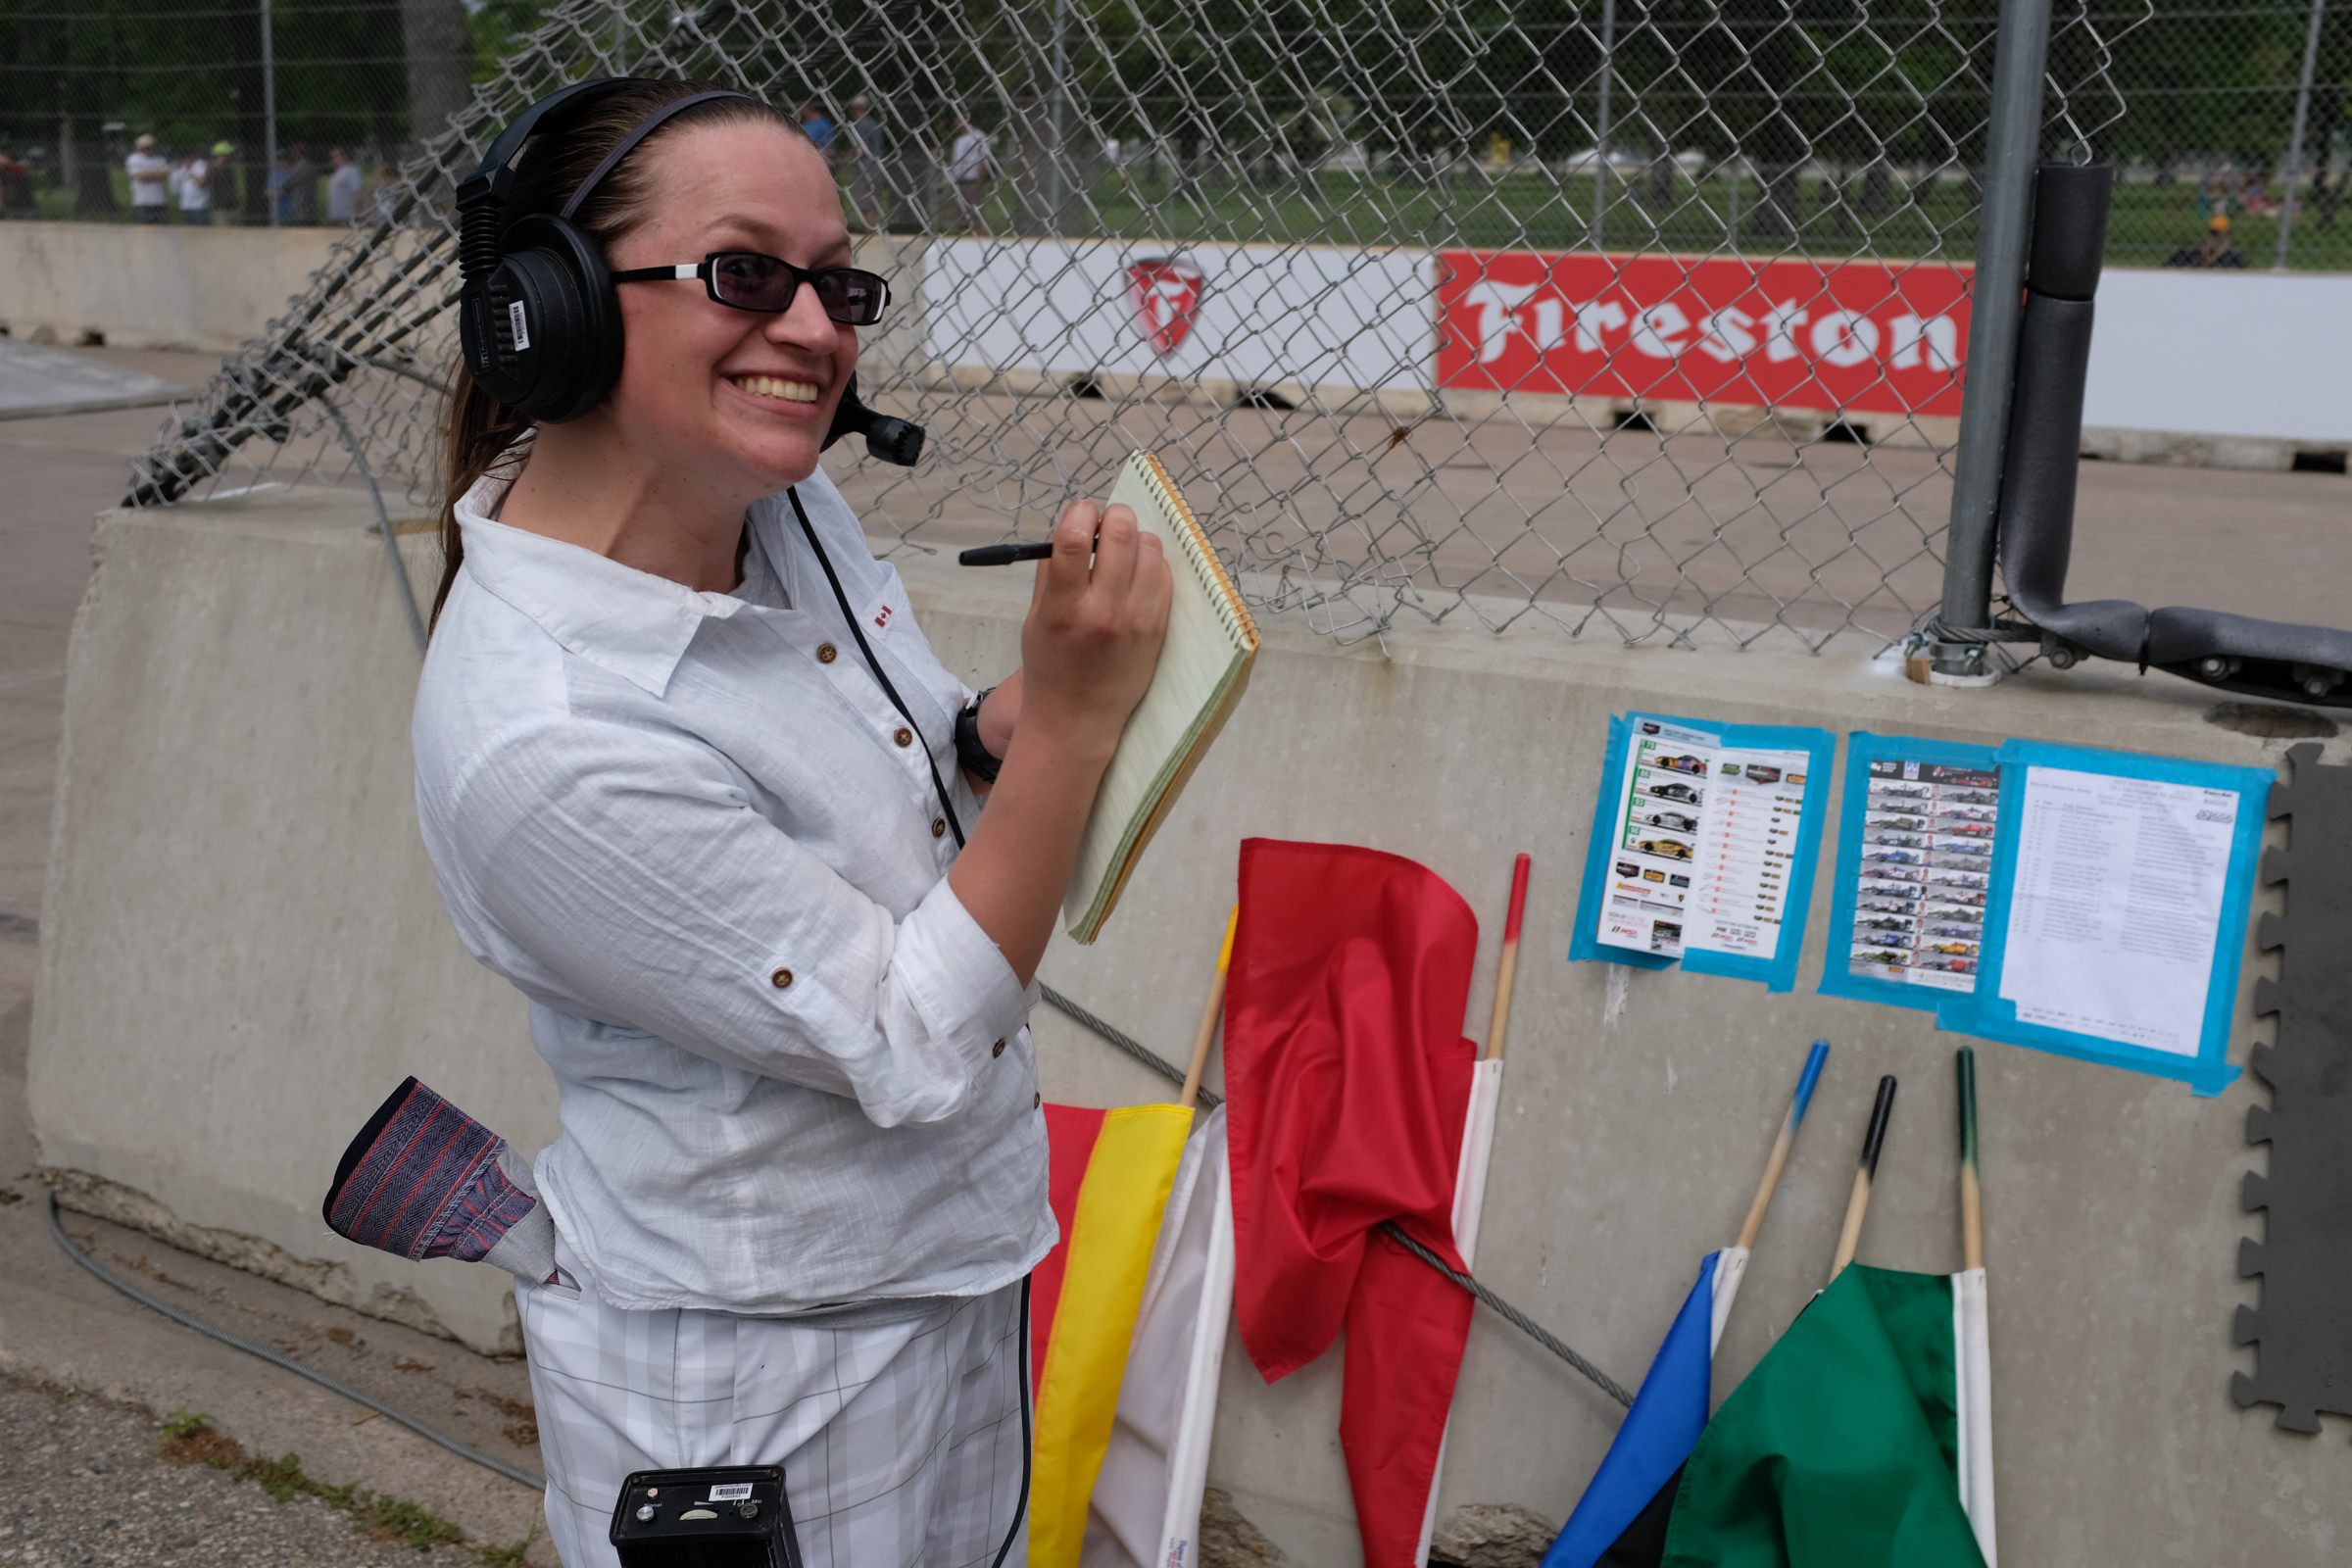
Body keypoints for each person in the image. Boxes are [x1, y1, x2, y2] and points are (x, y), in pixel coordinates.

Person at [413, 77, 1169, 1568]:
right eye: (747, 274)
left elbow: (902, 754)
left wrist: (995, 729)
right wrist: (1076, 731)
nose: (818, 330)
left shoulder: (778, 504)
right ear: (551, 308)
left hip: (947, 1271)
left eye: (838, 283)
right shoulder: (542, 744)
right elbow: (912, 1036)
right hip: (762, 1378)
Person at [841, 94, 887, 230]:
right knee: (873, 202)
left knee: (865, 203)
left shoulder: (860, 124)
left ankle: (871, 230)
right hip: (876, 166)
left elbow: (863, 148)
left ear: (858, 109)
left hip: (865, 168)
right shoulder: (874, 123)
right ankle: (877, 230)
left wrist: (848, 158)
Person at [949, 113, 991, 234]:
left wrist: (980, 179)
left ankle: (980, 236)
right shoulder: (959, 140)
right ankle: (964, 236)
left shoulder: (979, 136)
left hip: (973, 179)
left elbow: (984, 159)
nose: (957, 125)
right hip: (960, 180)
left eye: (959, 121)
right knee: (960, 215)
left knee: (974, 214)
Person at [2166, 214, 2248, 269]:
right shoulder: (2189, 253)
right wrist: (2205, 255)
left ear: (2227, 236)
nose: (2216, 238)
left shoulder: (2234, 258)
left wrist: (2216, 256)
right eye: (2213, 233)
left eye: (2220, 234)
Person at [126, 133, 170, 223]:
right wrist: (157, 175)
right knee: (144, 229)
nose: (152, 148)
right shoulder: (134, 158)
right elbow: (140, 177)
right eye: (149, 146)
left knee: (161, 228)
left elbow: (165, 175)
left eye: (153, 146)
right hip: (142, 201)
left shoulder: (160, 159)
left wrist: (148, 175)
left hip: (159, 201)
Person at [172, 148, 212, 225]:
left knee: (200, 230)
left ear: (192, 157)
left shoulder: (201, 165)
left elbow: (201, 183)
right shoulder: (184, 167)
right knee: (189, 230)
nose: (184, 161)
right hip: (186, 205)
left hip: (199, 206)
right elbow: (175, 187)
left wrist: (191, 173)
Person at [284, 140, 318, 223]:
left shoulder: (300, 168)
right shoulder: (311, 167)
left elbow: (286, 185)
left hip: (299, 212)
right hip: (309, 210)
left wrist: (270, 192)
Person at [326, 146, 363, 222]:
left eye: (336, 156)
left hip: (347, 216)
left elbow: (356, 193)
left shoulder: (351, 170)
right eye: (332, 156)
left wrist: (353, 212)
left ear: (344, 156)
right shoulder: (338, 172)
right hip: (336, 215)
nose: (333, 159)